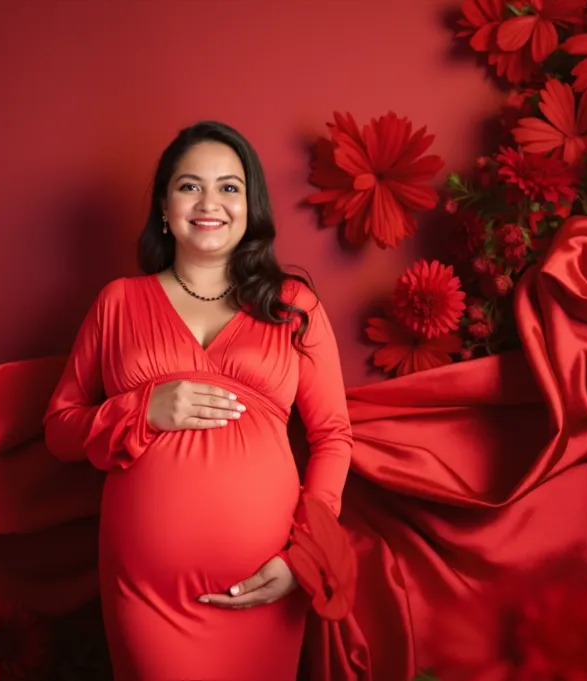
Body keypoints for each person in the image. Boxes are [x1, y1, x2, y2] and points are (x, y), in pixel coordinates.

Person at [43, 121, 353, 681]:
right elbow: (60, 430)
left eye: (229, 187)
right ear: (164, 206)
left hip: (269, 581)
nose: (210, 202)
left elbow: (333, 434)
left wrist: (303, 556)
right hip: (147, 593)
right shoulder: (118, 302)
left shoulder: (293, 305)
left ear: (250, 206)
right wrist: (142, 409)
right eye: (189, 186)